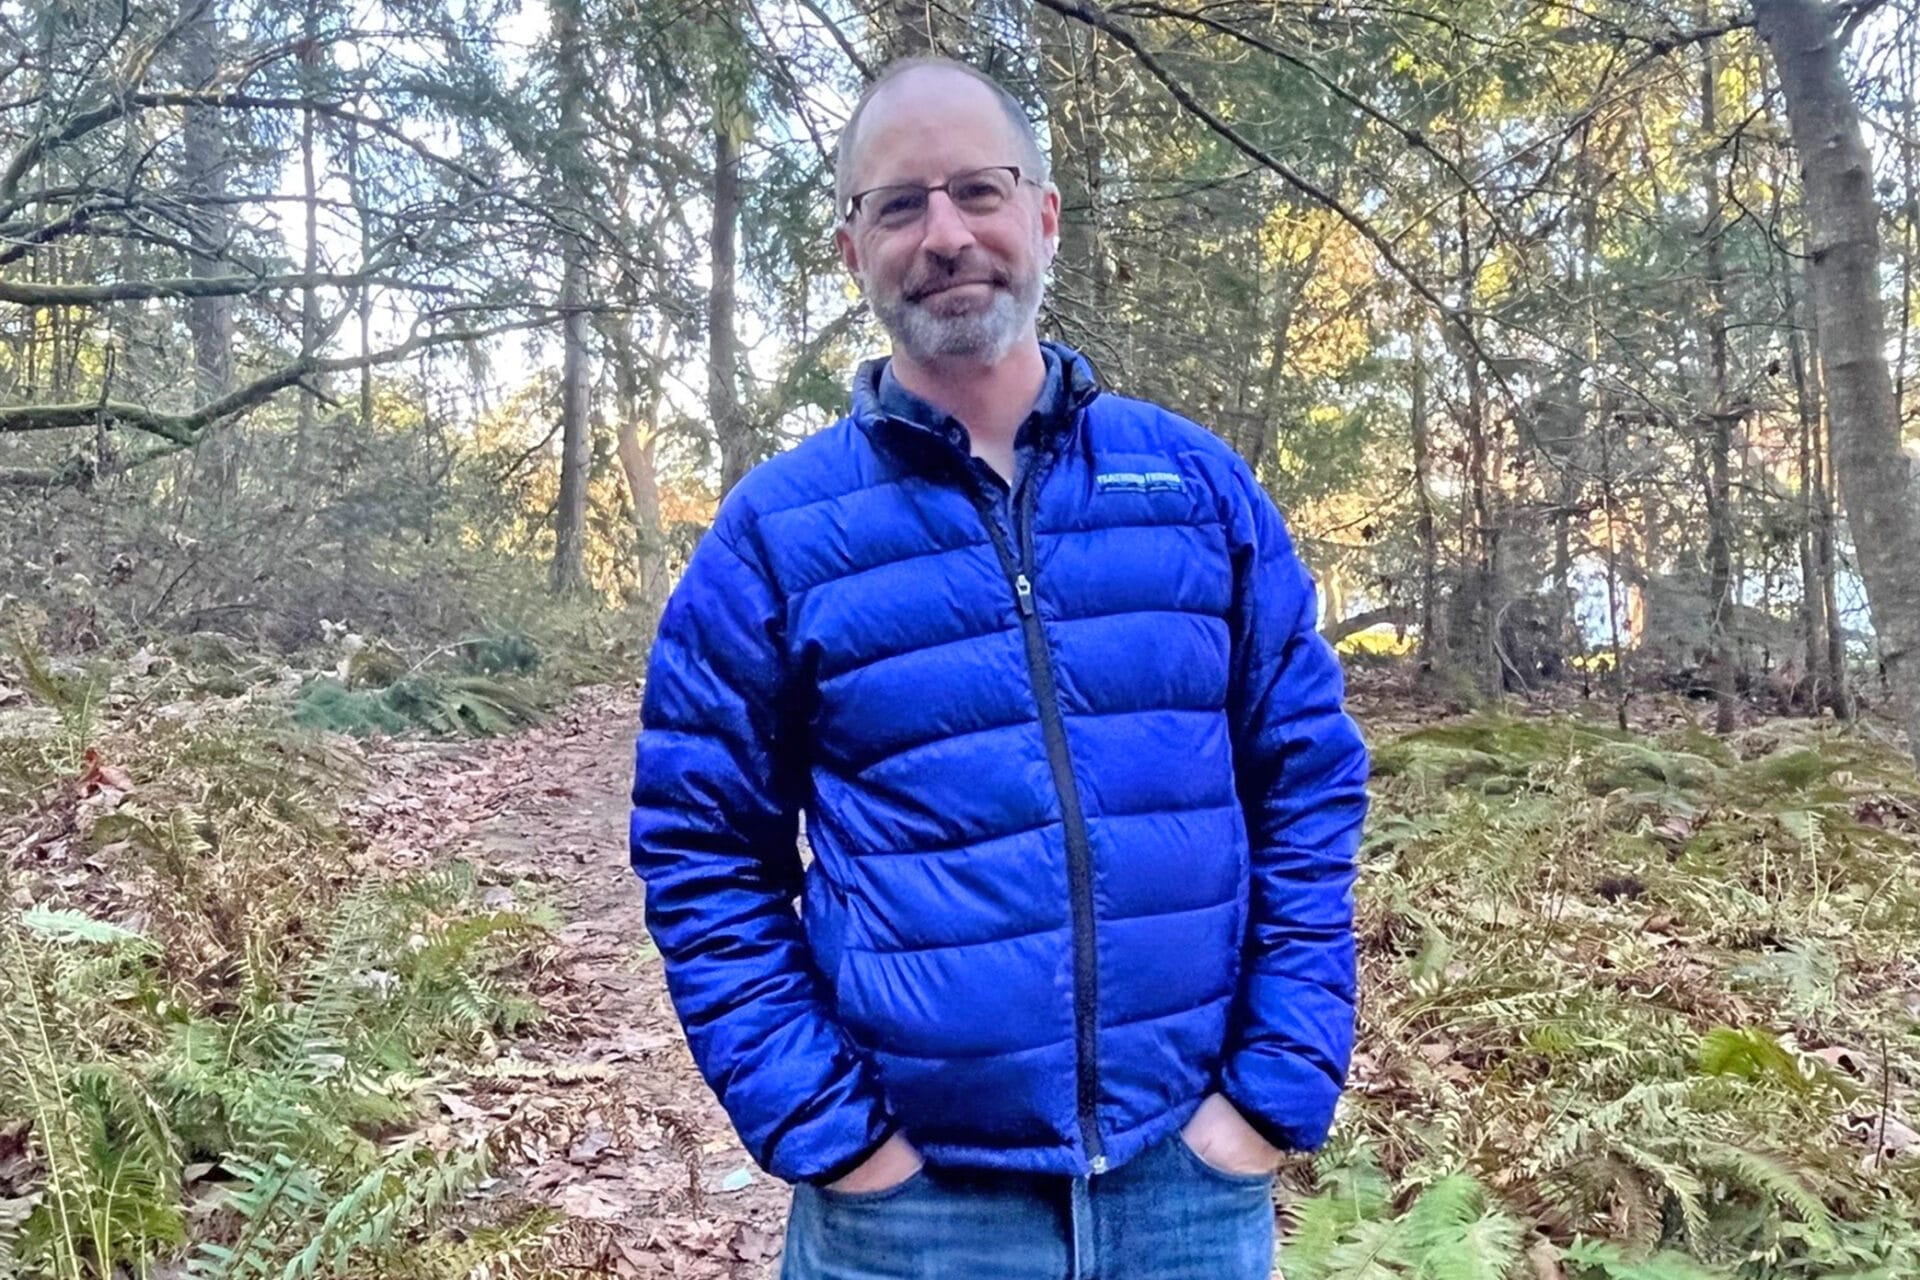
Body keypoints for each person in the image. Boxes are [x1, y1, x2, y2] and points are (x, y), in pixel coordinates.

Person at [629, 55, 1370, 1280]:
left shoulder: (1195, 489)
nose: (946, 234)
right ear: (851, 249)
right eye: (900, 205)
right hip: (910, 1217)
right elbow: (700, 848)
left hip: (1187, 1193)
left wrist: (1272, 1090)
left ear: (1044, 214)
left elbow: (1307, 782)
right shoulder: (775, 535)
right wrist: (836, 1136)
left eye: (978, 190)